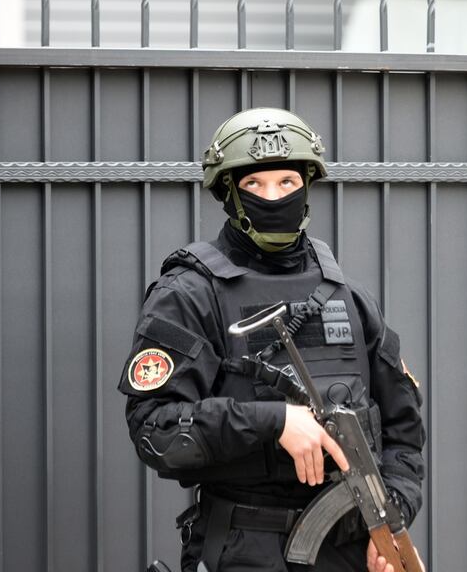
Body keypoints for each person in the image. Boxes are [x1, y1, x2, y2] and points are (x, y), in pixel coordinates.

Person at [118, 107, 425, 572]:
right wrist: (274, 421)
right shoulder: (189, 294)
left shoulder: (349, 297)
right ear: (229, 194)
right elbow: (156, 431)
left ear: (306, 187)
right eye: (254, 185)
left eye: (286, 182)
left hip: (349, 548)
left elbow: (404, 431)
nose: (273, 195)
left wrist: (390, 520)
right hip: (244, 548)